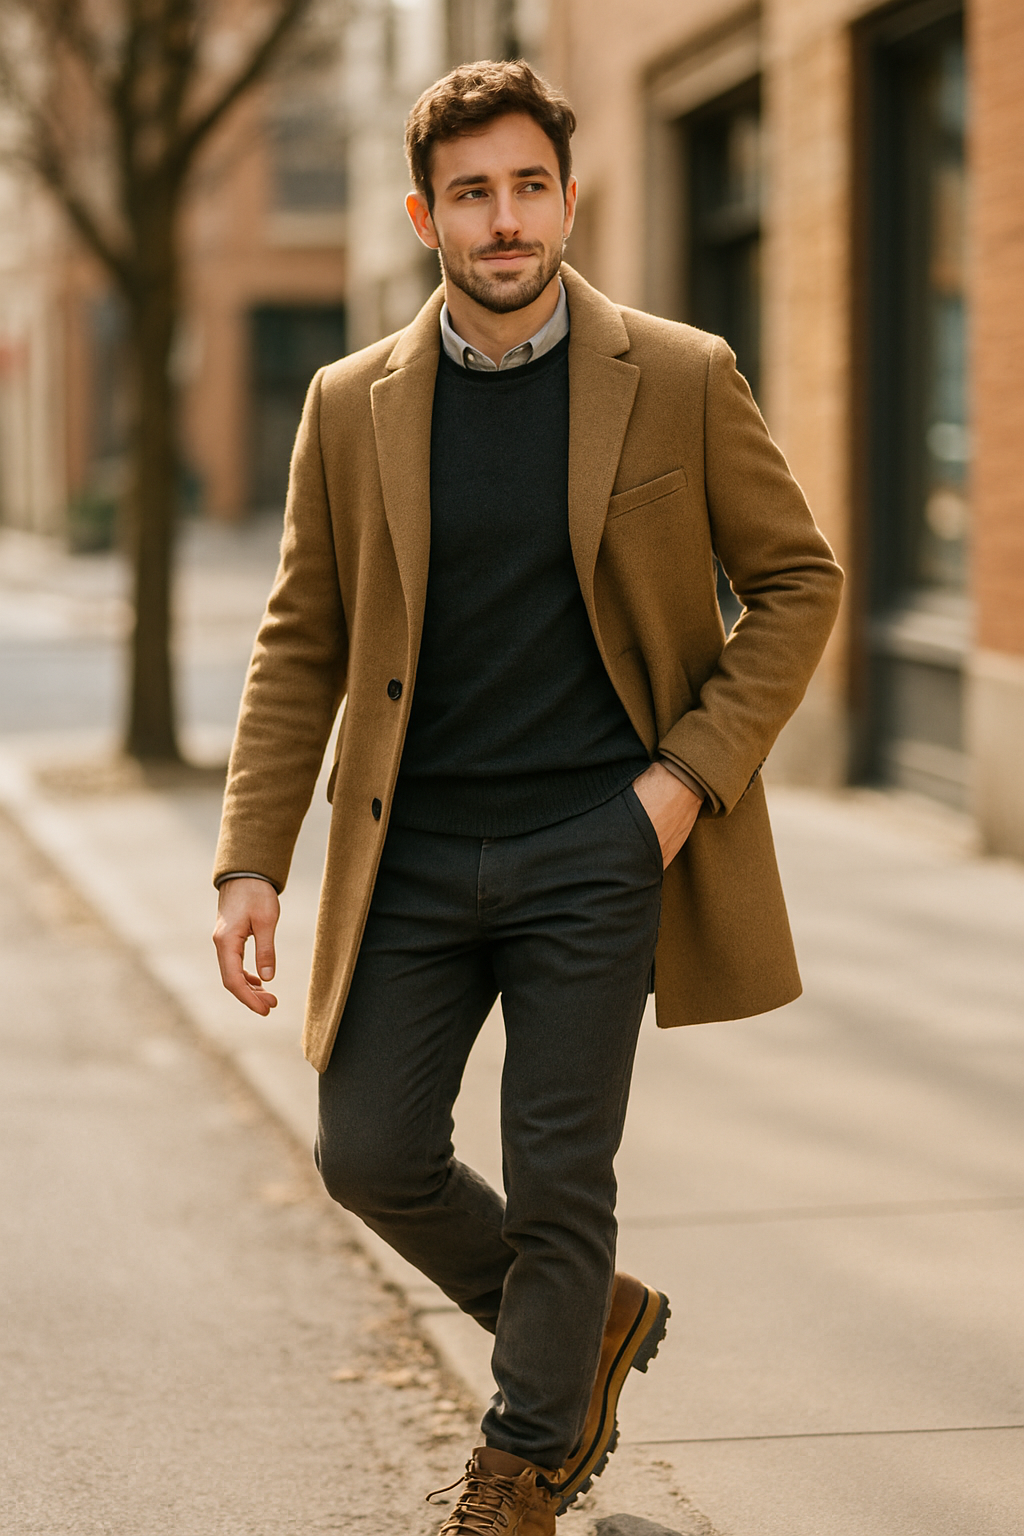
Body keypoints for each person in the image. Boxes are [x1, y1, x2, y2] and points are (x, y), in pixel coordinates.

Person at [212, 59, 843, 1536]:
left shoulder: (680, 375)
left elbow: (798, 582)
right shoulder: (347, 403)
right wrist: (252, 858)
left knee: (563, 1170)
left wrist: (681, 787)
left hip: (596, 848)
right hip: (411, 853)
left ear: (571, 197)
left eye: (531, 188)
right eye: (474, 195)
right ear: (427, 213)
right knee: (369, 1153)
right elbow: (301, 635)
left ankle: (524, 1468)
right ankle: (586, 1318)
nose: (506, 223)